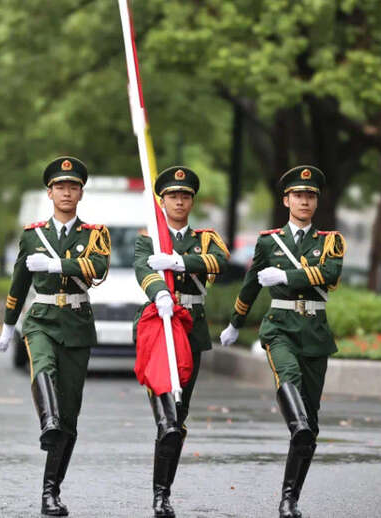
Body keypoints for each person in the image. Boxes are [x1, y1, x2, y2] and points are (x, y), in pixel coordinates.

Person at [219, 166, 345, 518]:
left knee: (312, 424)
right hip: (280, 327)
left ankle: (290, 497)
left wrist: (287, 274)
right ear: (286, 200)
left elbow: (331, 273)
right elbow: (250, 285)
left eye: (311, 196)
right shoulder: (268, 242)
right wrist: (235, 323)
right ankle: (297, 425)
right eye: (298, 195)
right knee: (286, 376)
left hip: (315, 331)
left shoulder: (329, 242)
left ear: (316, 202)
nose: (305, 201)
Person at [0, 156, 111, 517]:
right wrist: (7, 322)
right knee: (42, 367)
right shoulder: (33, 235)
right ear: (50, 192)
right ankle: (48, 421)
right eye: (60, 186)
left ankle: (51, 491)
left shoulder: (94, 234)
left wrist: (59, 265)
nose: (66, 192)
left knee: (71, 417)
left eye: (72, 187)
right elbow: (19, 280)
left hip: (76, 322)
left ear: (80, 193)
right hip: (42, 318)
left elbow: (99, 268)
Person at [133, 166, 229, 518]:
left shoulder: (205, 238)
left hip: (190, 329)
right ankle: (160, 495)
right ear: (162, 200)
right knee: (167, 419)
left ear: (192, 201)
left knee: (180, 415)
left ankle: (162, 493)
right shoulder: (150, 237)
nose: (179, 200)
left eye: (185, 195)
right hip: (160, 325)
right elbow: (143, 269)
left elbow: (218, 261)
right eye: (173, 195)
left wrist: (178, 261)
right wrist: (160, 292)